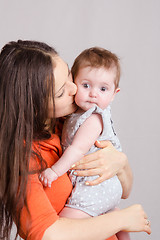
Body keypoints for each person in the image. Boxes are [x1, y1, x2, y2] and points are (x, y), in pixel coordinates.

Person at [0, 40, 151, 240]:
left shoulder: (71, 122)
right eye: (61, 91)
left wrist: (121, 163)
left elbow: (125, 191)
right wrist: (122, 219)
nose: (74, 89)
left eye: (70, 75)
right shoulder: (22, 158)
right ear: (33, 106)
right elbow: (48, 235)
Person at [39, 47, 129, 240]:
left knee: (66, 222)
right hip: (104, 187)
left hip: (94, 187)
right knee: (111, 214)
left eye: (103, 89)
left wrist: (54, 171)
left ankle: (119, 220)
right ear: (74, 82)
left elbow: (78, 149)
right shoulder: (74, 114)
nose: (93, 94)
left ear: (114, 93)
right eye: (86, 85)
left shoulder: (93, 118)